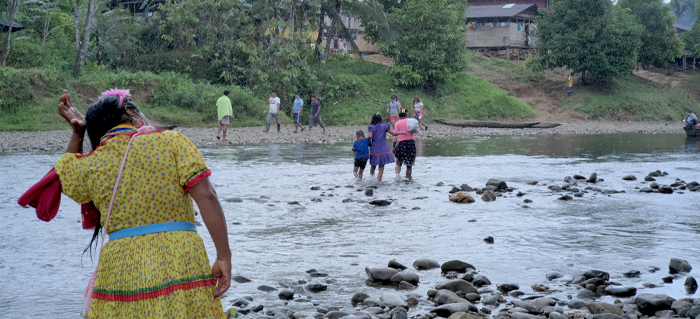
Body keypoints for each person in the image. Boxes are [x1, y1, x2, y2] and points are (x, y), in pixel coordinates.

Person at [35, 89, 231, 317]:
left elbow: (66, 171)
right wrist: (224, 256)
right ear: (129, 111)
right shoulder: (172, 141)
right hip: (180, 257)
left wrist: (79, 132)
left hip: (120, 264)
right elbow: (207, 196)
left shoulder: (92, 163)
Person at [368, 113, 404, 182]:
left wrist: (368, 138)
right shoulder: (385, 126)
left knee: (373, 166)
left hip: (374, 149)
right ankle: (379, 181)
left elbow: (370, 136)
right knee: (381, 167)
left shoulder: (371, 127)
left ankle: (371, 180)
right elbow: (393, 133)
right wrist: (402, 132)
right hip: (383, 149)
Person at [394, 110, 417, 179]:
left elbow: (395, 136)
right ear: (406, 115)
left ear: (399, 116)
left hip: (402, 144)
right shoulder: (411, 121)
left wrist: (393, 146)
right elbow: (417, 131)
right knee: (409, 165)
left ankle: (398, 176)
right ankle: (408, 180)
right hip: (411, 143)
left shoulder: (397, 123)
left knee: (399, 162)